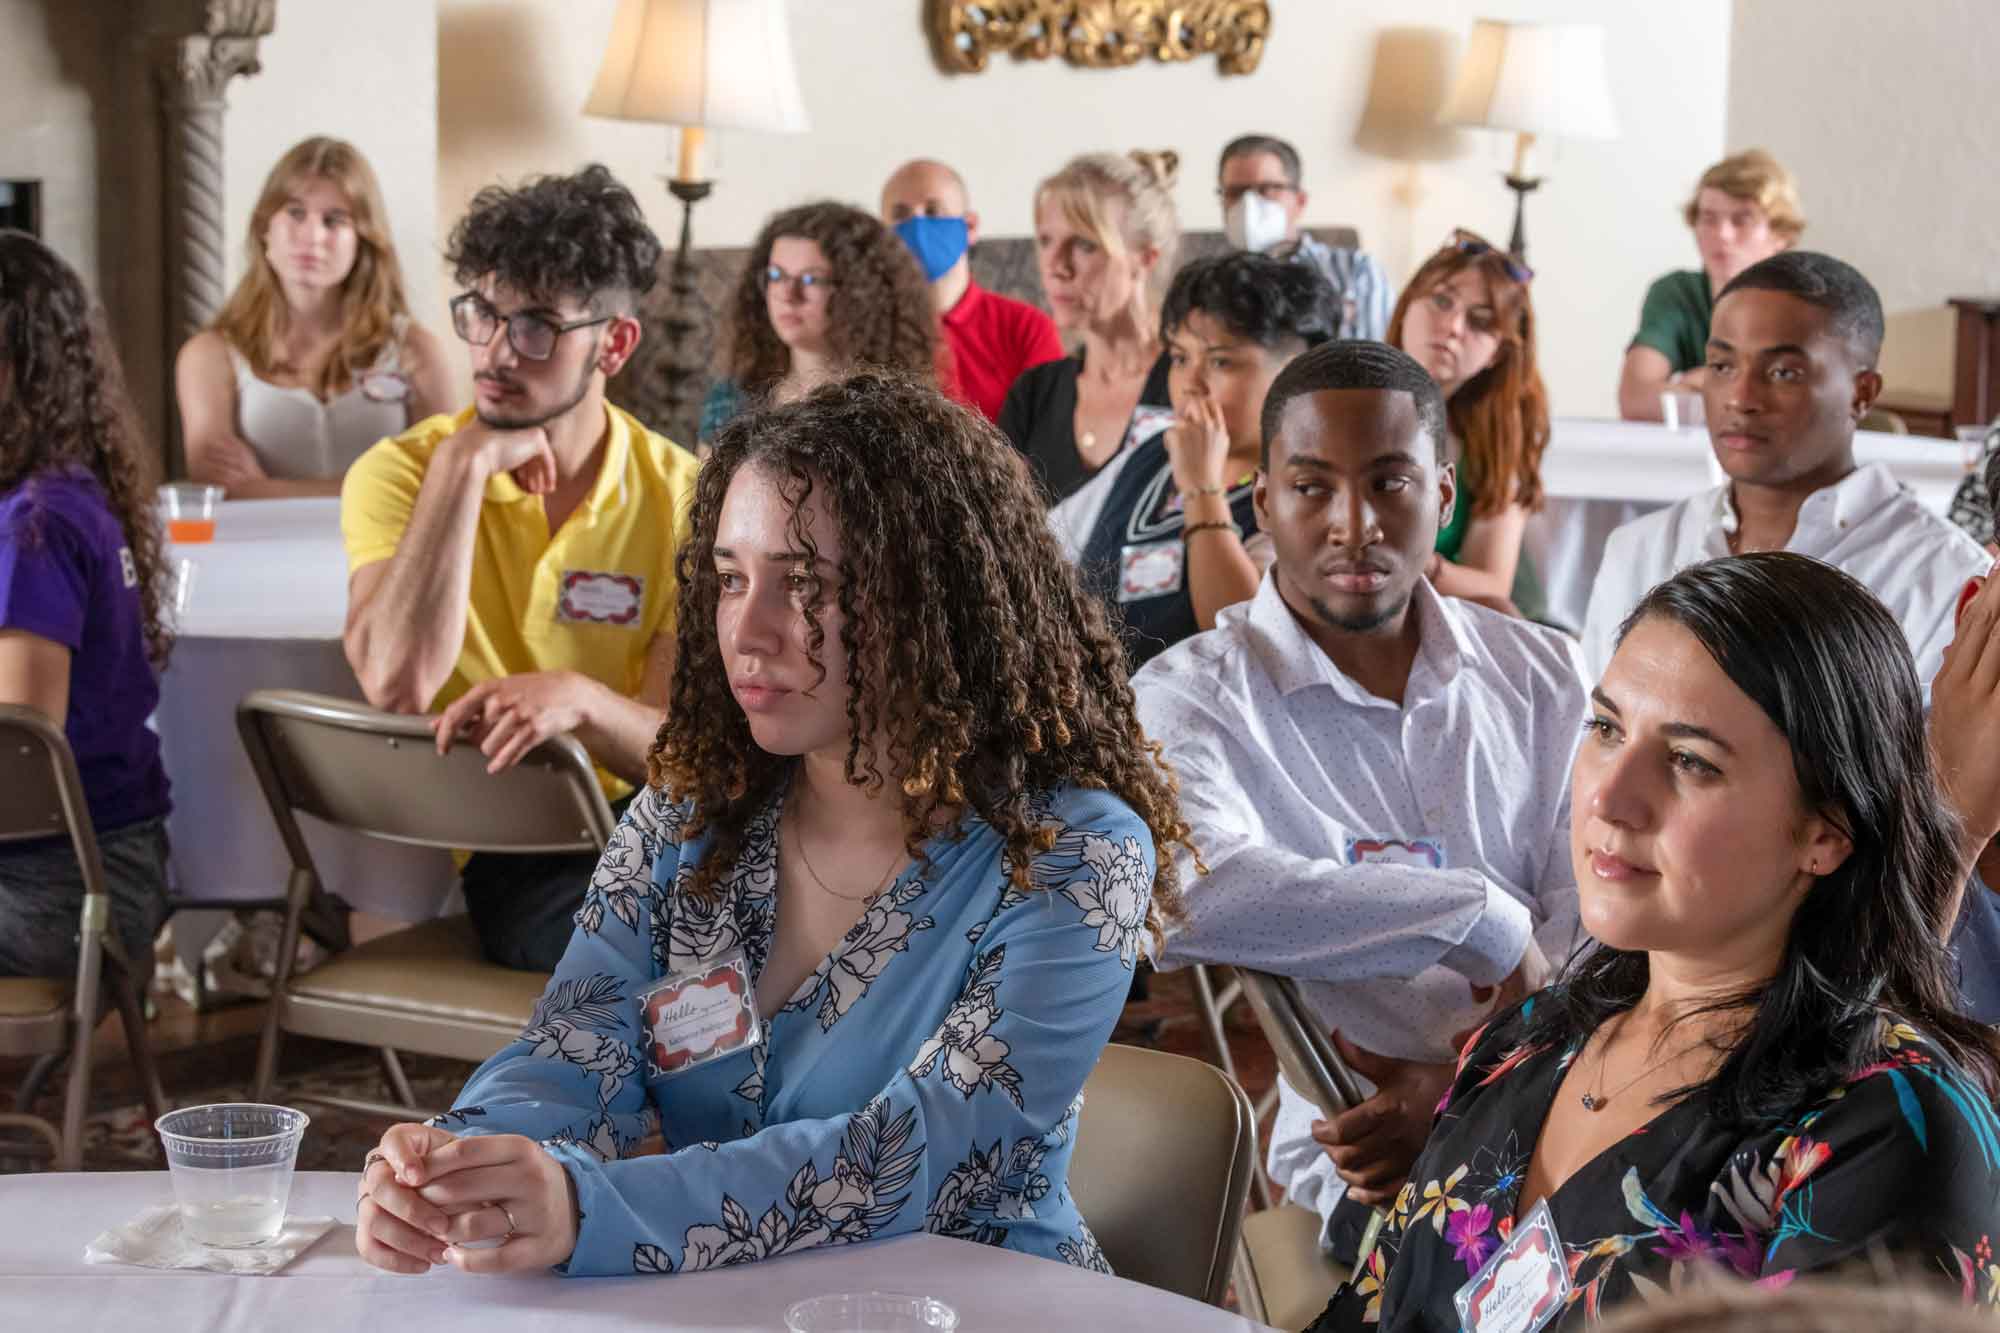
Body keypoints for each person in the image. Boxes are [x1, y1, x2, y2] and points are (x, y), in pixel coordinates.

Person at [350, 371, 1196, 1280]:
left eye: (805, 587)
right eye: (728, 578)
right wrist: (456, 1160)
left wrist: (591, 1205)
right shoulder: (692, 811)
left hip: (982, 1306)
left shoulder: (1075, 852)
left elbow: (921, 1154)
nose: (747, 632)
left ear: (935, 601)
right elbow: (573, 1046)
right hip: (726, 1304)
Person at [1309, 552, 2000, 1330]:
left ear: (1825, 829)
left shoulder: (1887, 1128)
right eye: (1606, 727)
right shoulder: (1532, 1038)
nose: (1610, 796)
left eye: (1689, 760)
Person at [1135, 339, 1577, 1264]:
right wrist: (1478, 914)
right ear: (1263, 503)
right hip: (1369, 1155)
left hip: (1577, 1106)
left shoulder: (1545, 674)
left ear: (1445, 497)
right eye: (1311, 487)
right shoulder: (1194, 695)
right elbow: (1187, 893)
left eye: (1390, 483)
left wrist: (1475, 1085)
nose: (1353, 523)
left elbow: (1613, 927)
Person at [341, 164, 698, 971]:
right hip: (519, 844)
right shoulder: (400, 474)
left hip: (651, 820)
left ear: (616, 342)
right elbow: (394, 683)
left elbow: (680, 752)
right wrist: (463, 467)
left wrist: (579, 702)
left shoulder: (688, 496)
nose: (496, 352)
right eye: (481, 315)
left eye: (536, 326)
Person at [1581, 251, 1990, 686]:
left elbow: (1934, 753)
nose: (1740, 397)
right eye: (1721, 366)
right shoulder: (1642, 549)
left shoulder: (1944, 577)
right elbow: (1592, 731)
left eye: (1783, 373)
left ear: (1861, 393)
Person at [0, 231, 173, 980]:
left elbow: (19, 762)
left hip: (66, 890)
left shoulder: (33, 525)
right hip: (96, 866)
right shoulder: (61, 493)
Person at [1052, 252, 1336, 668]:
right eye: (1181, 358)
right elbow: (1048, 542)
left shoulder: (1307, 493)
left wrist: (1201, 488)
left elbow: (1244, 639)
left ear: (1297, 375)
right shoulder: (1152, 452)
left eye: (1220, 361)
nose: (1190, 384)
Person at [176, 136, 454, 497]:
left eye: (334, 220)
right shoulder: (209, 355)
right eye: (295, 213)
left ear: (363, 238)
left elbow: (444, 479)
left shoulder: (415, 350)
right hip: (258, 552)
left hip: (391, 553)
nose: (313, 237)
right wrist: (381, 487)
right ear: (264, 228)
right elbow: (218, 486)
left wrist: (265, 488)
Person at [999, 150, 1179, 506]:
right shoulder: (1033, 395)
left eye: (1084, 244)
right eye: (1046, 241)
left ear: (1144, 258)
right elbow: (1005, 534)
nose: (1056, 267)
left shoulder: (1190, 386)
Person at [1388, 229, 1550, 615]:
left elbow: (1492, 584)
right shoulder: (1338, 397)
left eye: (1480, 321)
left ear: (1497, 353)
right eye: (1441, 301)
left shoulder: (1499, 438)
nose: (1454, 327)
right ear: (1408, 303)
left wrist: (1412, 563)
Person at [699, 202, 939, 445]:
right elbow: (706, 481)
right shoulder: (731, 400)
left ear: (861, 292)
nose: (788, 295)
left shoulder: (899, 413)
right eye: (776, 276)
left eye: (812, 279)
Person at [1618, 149, 1803, 422]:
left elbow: (1798, 409)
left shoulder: (1806, 302)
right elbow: (1636, 400)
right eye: (1708, 218)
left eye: (1742, 220)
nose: (1722, 234)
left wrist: (1705, 383)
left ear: (1780, 234)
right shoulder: (1676, 292)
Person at [880, 157, 1065, 423]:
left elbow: (1048, 437)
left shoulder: (1027, 328)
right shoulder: (866, 329)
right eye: (900, 215)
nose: (918, 226)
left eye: (933, 211)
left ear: (970, 226)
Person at [1217, 133, 1394, 342]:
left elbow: (1380, 363)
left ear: (1299, 201)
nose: (1248, 204)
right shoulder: (1208, 284)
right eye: (1235, 192)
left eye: (1266, 190)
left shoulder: (1357, 271)